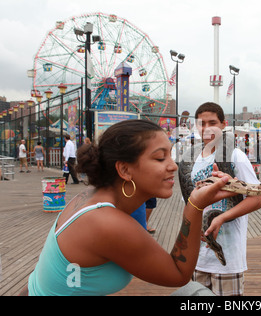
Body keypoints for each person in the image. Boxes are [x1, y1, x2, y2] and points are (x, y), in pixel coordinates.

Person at [23, 119, 236, 296]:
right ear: (124, 170)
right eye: (160, 158)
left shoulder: (91, 198)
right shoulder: (105, 222)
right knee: (197, 295)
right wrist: (195, 206)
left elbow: (37, 283)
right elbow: (179, 274)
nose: (173, 165)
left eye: (170, 155)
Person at [179, 102, 261, 296]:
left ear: (224, 124)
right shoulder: (192, 159)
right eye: (201, 123)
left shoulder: (235, 156)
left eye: (212, 122)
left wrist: (222, 217)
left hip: (229, 256)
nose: (207, 128)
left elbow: (257, 199)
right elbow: (189, 202)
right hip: (197, 256)